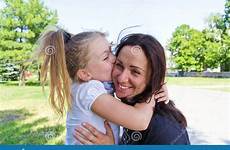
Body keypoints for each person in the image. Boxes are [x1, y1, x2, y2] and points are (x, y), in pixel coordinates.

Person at [35, 29, 169, 145]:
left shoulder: (96, 81)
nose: (114, 58)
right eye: (106, 57)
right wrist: (154, 88)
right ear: (84, 73)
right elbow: (140, 121)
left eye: (111, 50)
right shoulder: (87, 90)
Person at [74, 33, 190, 145]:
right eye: (119, 65)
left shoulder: (165, 132)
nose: (121, 78)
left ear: (152, 77)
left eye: (135, 72)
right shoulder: (129, 105)